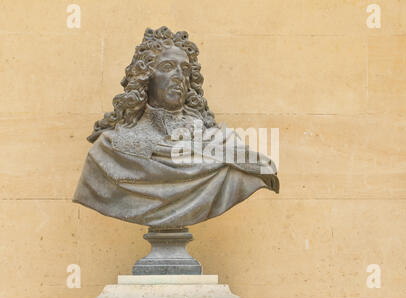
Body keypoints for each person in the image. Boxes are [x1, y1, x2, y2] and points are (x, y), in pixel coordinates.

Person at [73, 26, 279, 228]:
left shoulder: (222, 143)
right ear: (145, 77)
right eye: (167, 67)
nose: (179, 76)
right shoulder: (108, 150)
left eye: (185, 69)